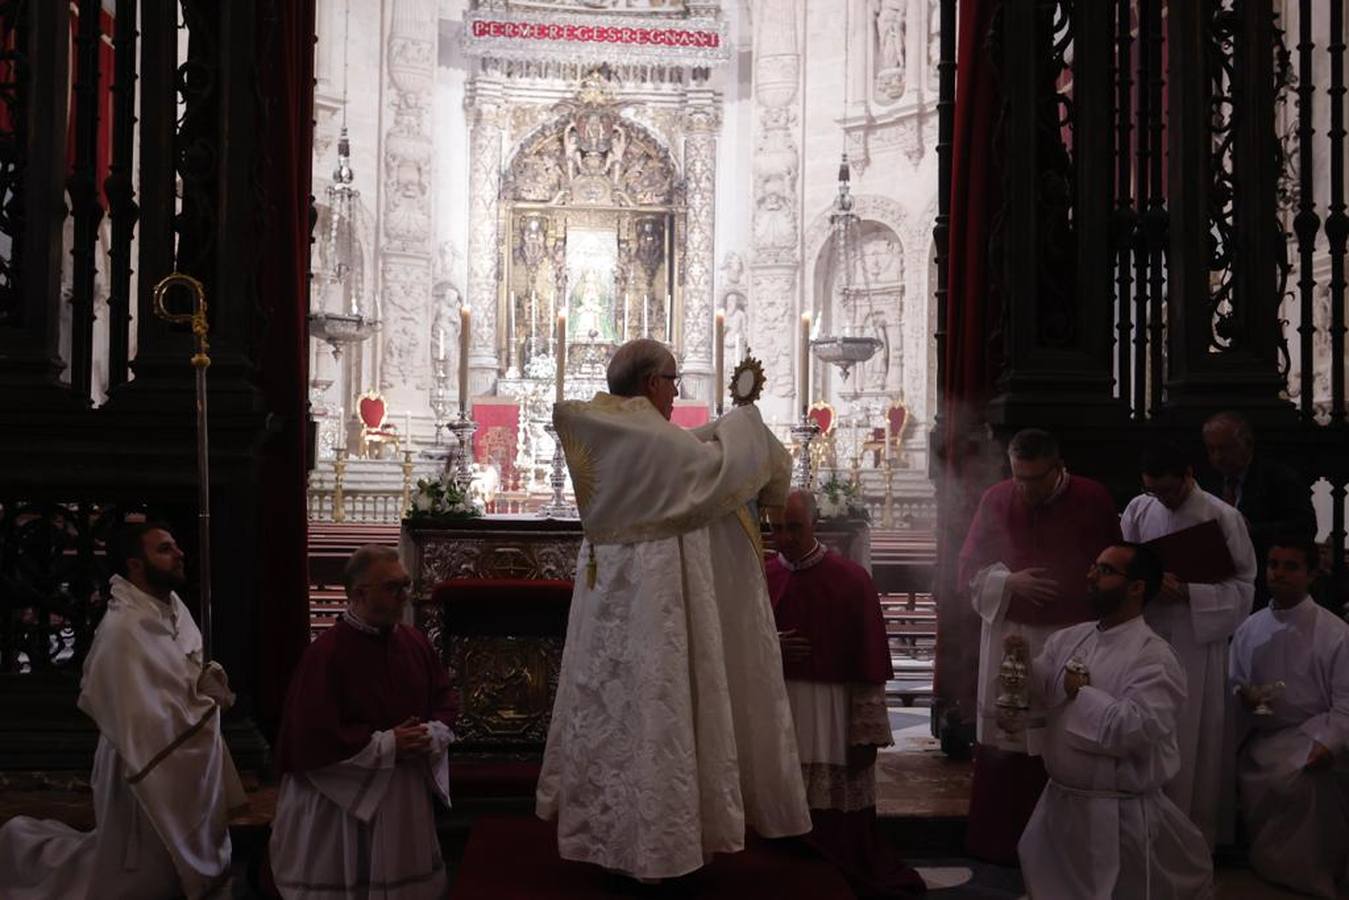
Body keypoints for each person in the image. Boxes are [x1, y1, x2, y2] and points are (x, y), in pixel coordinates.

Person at [536, 338, 811, 881]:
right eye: (672, 379)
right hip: (657, 605)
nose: (676, 390)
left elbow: (686, 455)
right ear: (648, 385)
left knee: (615, 712)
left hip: (610, 599)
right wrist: (746, 420)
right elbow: (714, 468)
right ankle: (663, 844)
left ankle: (607, 835)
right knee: (660, 705)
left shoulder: (611, 431)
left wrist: (720, 428)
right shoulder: (648, 437)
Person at [0, 522, 245, 899]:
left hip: (184, 760)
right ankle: (20, 850)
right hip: (140, 763)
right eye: (164, 549)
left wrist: (208, 684)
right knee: (140, 876)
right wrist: (205, 702)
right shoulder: (123, 629)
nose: (179, 553)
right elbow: (137, 712)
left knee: (171, 867)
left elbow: (180, 679)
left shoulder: (172, 609)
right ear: (134, 564)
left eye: (175, 545)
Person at [956, 428, 1122, 863]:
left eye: (1035, 479)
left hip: (1071, 636)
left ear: (1058, 467)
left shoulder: (1093, 498)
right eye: (1018, 478)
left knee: (1061, 735)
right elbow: (967, 569)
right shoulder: (996, 498)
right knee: (1007, 740)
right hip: (1011, 634)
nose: (1024, 489)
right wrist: (1009, 581)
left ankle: (1061, 846)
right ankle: (1000, 842)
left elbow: (1114, 567)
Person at [1018, 543, 1213, 898]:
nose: (1091, 575)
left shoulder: (1154, 657)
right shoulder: (1070, 637)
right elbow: (1042, 690)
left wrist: (1083, 693)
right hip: (1059, 807)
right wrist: (1017, 668)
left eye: (1105, 571)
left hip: (1115, 819)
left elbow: (1133, 729)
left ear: (1137, 587)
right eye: (1094, 566)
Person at [268, 545, 456, 899]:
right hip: (338, 802)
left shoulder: (415, 643)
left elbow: (444, 699)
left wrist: (432, 733)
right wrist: (387, 745)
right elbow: (310, 737)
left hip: (401, 791)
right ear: (357, 593)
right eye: (392, 588)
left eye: (406, 585)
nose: (404, 596)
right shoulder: (325, 653)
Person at [766, 489, 925, 898]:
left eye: (794, 527)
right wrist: (770, 648)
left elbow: (870, 659)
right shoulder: (761, 577)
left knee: (831, 804)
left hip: (832, 710)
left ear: (815, 524)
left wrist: (866, 731)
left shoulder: (851, 580)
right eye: (777, 528)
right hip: (774, 709)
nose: (784, 537)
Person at [1121, 439, 1256, 847]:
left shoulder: (1222, 517)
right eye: (1153, 490)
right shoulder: (1140, 510)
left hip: (1196, 641)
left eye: (1169, 489)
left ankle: (1192, 839)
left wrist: (1192, 594)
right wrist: (1144, 583)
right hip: (1145, 632)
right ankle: (1141, 835)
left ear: (1189, 475)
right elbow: (1122, 563)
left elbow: (1244, 587)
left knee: (1190, 733)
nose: (1162, 498)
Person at [1229, 536, 1349, 898]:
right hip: (1263, 735)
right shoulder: (1250, 627)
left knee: (1307, 780)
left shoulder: (1336, 633)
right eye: (1272, 564)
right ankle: (1266, 861)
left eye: (1291, 566)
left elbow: (1346, 702)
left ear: (1312, 574)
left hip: (1316, 730)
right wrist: (1248, 700)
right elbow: (1235, 683)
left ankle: (1315, 874)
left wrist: (1328, 743)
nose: (1278, 573)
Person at [1198, 411, 1318, 609]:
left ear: (1247, 444)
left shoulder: (1279, 478)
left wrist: (1249, 530)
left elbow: (1304, 527)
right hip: (1218, 583)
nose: (1218, 457)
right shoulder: (1207, 480)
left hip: (1262, 583)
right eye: (1212, 449)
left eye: (1225, 449)